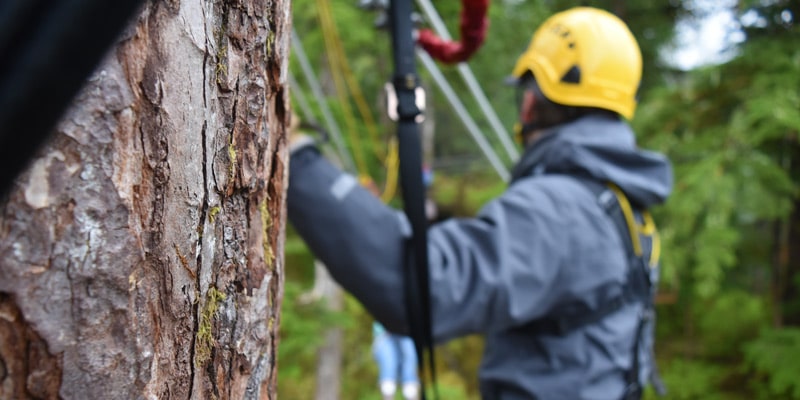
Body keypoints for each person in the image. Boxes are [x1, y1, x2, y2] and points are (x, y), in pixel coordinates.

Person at [287, 7, 673, 400]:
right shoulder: (617, 206)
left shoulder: (564, 211)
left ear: (533, 100)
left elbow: (420, 289)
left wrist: (296, 157)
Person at [372, 321, 420, 400]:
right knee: (389, 366)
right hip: (384, 334)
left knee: (409, 363)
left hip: (407, 331)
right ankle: (389, 396)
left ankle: (411, 394)